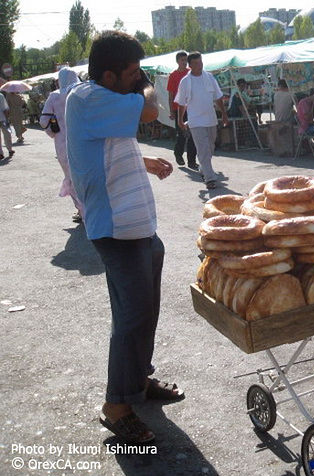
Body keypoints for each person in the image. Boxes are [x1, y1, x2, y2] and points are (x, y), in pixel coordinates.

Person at [66, 30, 181, 444]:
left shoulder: (104, 99)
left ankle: (138, 381)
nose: (137, 79)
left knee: (144, 312)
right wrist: (147, 83)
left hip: (137, 226)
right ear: (109, 76)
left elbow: (111, 144)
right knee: (131, 317)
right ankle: (116, 405)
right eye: (131, 72)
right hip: (116, 230)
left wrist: (143, 159)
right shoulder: (87, 98)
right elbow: (149, 111)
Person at [174, 51, 229, 190]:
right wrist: (180, 120)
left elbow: (218, 97)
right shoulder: (185, 81)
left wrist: (223, 114)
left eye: (201, 62)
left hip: (211, 120)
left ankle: (204, 169)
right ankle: (209, 179)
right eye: (196, 63)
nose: (200, 65)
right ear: (190, 65)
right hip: (195, 121)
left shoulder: (209, 77)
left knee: (210, 148)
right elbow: (181, 103)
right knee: (203, 149)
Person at [39, 67, 83, 222]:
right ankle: (93, 210)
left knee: (71, 178)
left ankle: (82, 211)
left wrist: (54, 133)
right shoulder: (81, 93)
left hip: (63, 145)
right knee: (86, 177)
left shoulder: (54, 96)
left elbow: (44, 121)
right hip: (84, 143)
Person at [166, 50, 197, 169]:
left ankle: (192, 161)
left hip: (192, 109)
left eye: (186, 60)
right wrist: (171, 111)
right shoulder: (173, 75)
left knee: (193, 135)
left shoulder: (191, 73)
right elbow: (171, 95)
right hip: (179, 109)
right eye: (182, 60)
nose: (185, 62)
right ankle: (178, 154)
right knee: (182, 135)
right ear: (178, 61)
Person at [0, 92, 14, 160]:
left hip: (3, 118)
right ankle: (10, 149)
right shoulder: (1, 95)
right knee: (7, 134)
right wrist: (7, 118)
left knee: (7, 134)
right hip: (3, 119)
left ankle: (1, 153)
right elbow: (5, 108)